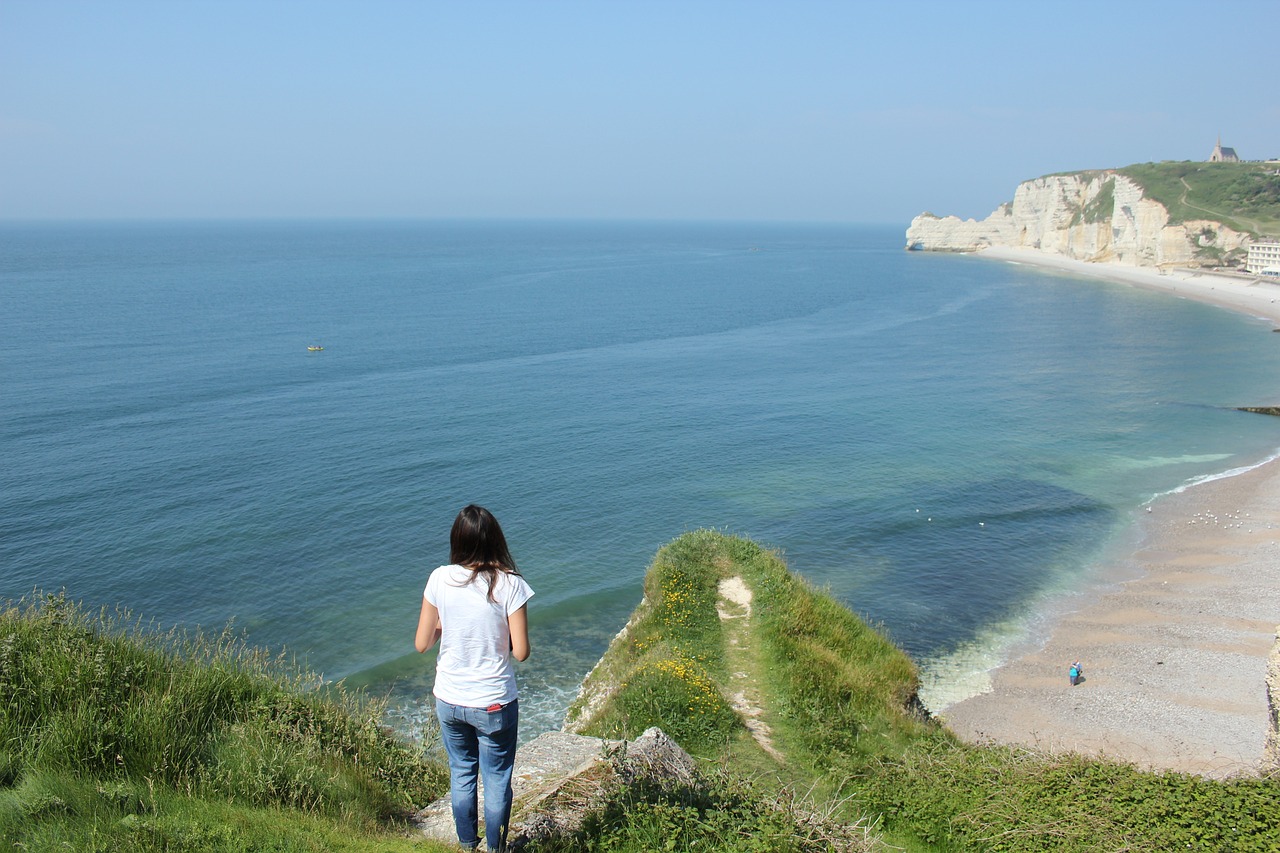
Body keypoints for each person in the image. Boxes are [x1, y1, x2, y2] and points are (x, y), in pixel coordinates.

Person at [416, 505, 534, 852]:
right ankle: (495, 849)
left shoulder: (439, 578)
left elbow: (422, 644)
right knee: (496, 780)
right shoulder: (511, 584)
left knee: (462, 773)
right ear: (496, 539)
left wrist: (448, 624)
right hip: (493, 701)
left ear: (457, 541)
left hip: (450, 699)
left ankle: (467, 845)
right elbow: (522, 652)